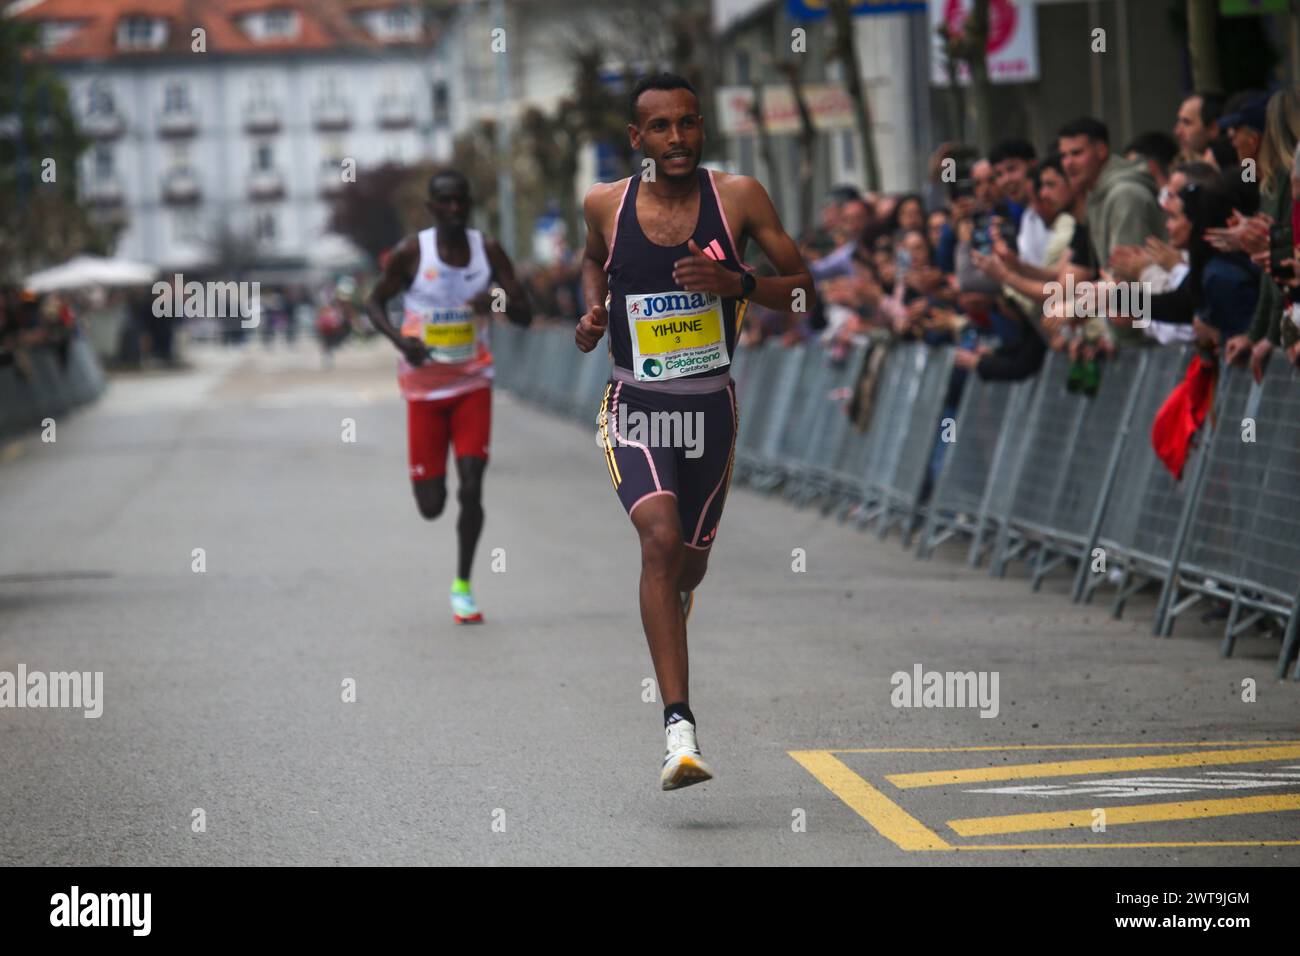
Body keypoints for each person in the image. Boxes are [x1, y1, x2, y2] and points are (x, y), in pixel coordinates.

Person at [574, 73, 814, 790]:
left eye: (687, 124)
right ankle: (679, 729)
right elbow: (594, 259)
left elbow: (802, 292)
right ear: (636, 138)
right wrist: (593, 313)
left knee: (690, 565)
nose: (675, 140)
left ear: (701, 127)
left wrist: (739, 285)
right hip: (636, 405)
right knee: (660, 540)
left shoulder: (737, 198)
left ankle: (677, 600)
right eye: (660, 128)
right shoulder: (605, 205)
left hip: (710, 411)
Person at [366, 169, 532, 625]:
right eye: (445, 202)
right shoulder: (411, 253)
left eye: (462, 200)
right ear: (432, 208)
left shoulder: (488, 251)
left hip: (472, 385)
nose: (455, 209)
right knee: (431, 505)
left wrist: (494, 300)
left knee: (473, 485)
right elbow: (373, 303)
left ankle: (463, 586)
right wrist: (402, 343)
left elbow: (523, 312)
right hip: (424, 392)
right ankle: (429, 486)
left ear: (469, 203)